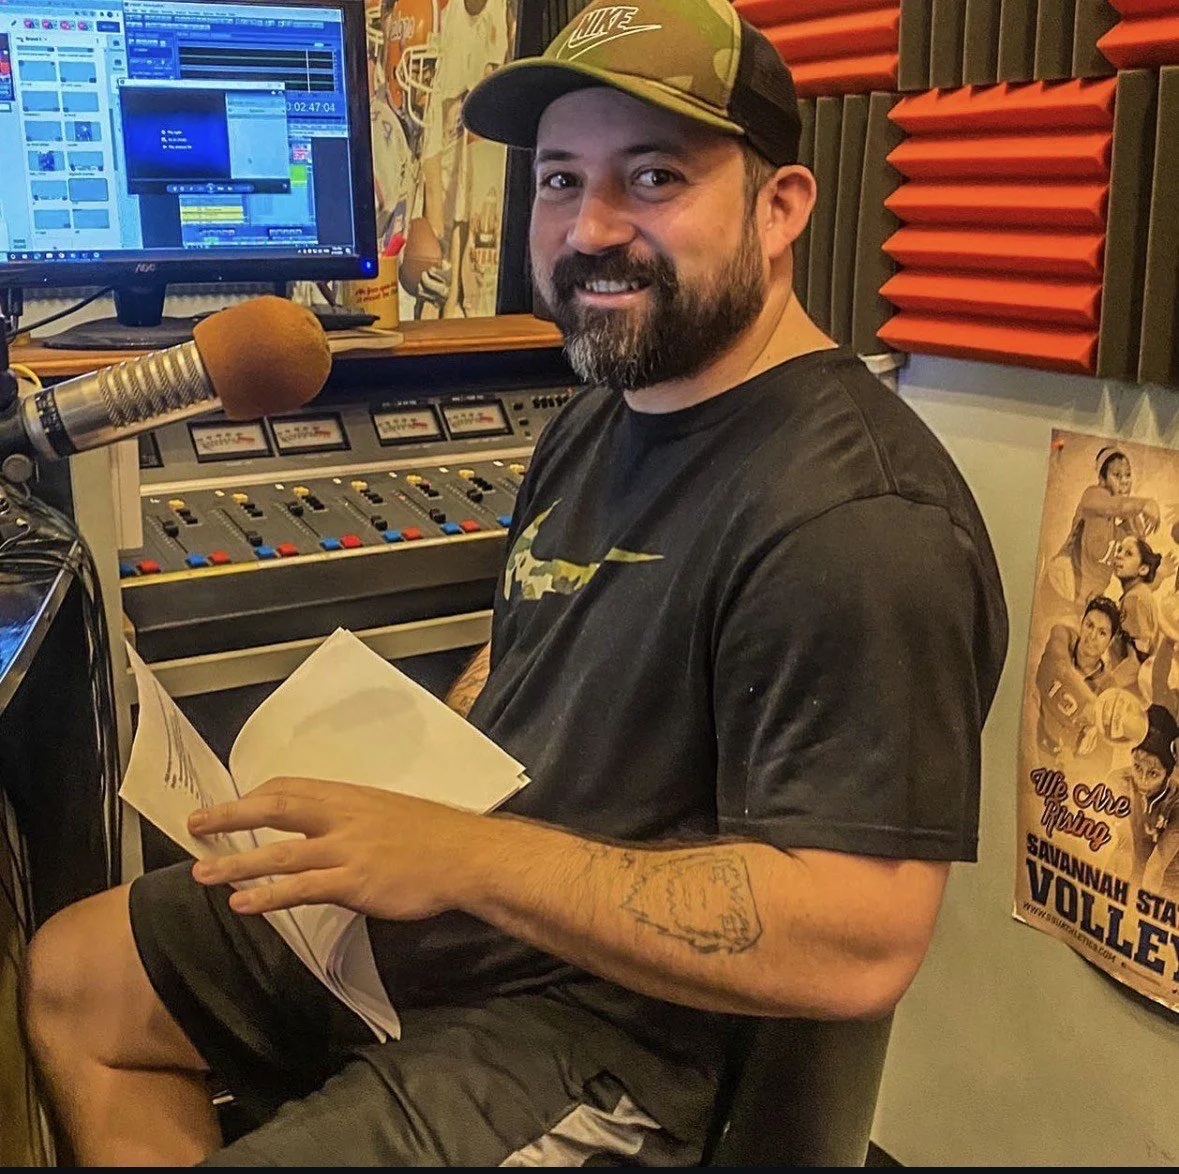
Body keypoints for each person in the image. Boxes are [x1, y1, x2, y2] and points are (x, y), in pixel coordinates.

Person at [20, 0, 1009, 1165]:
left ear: (780, 206)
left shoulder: (859, 523)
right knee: (76, 977)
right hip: (478, 916)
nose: (590, 228)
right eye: (557, 179)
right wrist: (415, 757)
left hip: (620, 1032)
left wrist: (457, 854)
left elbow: (859, 940)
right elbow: (543, 642)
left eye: (651, 178)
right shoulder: (599, 417)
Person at [1051, 446, 1160, 610]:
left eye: (1128, 475)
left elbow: (1138, 554)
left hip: (1087, 602)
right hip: (1061, 589)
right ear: (1102, 479)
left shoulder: (1127, 516)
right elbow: (1111, 506)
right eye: (1117, 475)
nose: (1124, 481)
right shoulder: (1093, 496)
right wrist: (1144, 504)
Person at [1034, 595, 1121, 760]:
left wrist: (1074, 760)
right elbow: (1059, 667)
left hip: (1064, 767)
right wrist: (1097, 714)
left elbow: (1103, 757)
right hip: (1034, 738)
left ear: (1110, 641)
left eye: (1102, 633)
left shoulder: (1109, 687)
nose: (1092, 636)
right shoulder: (1062, 636)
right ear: (1081, 623)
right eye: (1089, 625)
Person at [1108, 704, 1179, 893]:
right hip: (1132, 874)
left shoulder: (1176, 803)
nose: (1143, 779)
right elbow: (1124, 846)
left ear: (1167, 774)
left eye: (1153, 773)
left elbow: (1156, 867)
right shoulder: (1119, 781)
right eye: (1138, 767)